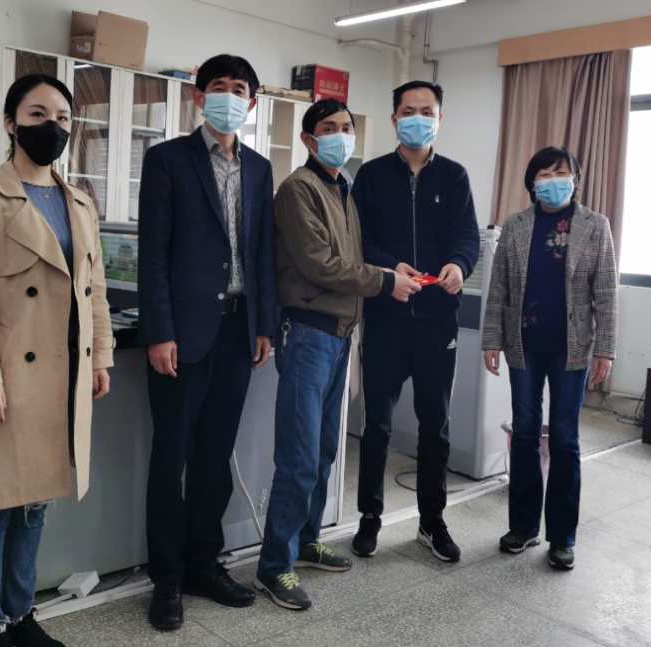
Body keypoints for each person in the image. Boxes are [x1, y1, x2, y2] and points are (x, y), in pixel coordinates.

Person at [0, 73, 114, 647]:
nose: (54, 126)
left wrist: (100, 357)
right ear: (11, 123)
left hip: (61, 377)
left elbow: (93, 291)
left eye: (64, 117)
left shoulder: (80, 203)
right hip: (6, 378)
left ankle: (20, 616)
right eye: (38, 113)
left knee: (34, 505)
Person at [255, 98, 422, 611]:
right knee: (300, 455)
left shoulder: (341, 188)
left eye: (346, 127)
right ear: (308, 140)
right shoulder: (298, 190)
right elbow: (320, 265)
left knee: (326, 448)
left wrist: (389, 269)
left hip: (339, 334)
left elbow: (352, 257)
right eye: (328, 128)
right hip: (307, 333)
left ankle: (306, 541)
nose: (340, 135)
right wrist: (385, 282)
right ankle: (274, 566)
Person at [137, 54, 277, 631]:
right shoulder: (167, 160)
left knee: (216, 457)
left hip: (238, 332)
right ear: (199, 97)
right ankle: (166, 577)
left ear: (252, 102)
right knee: (171, 457)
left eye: (239, 89)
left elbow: (262, 252)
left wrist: (264, 324)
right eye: (218, 87)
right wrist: (160, 331)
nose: (229, 97)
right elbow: (153, 254)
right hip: (184, 334)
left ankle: (202, 562)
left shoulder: (260, 169)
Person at [351, 81, 480, 561]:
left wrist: (459, 266)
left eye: (427, 111)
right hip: (386, 317)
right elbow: (358, 239)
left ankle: (432, 522)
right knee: (378, 426)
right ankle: (369, 518)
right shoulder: (371, 175)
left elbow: (467, 237)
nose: (418, 119)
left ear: (440, 119)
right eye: (408, 111)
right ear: (394, 119)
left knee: (435, 426)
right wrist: (390, 269)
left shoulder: (455, 176)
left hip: (437, 321)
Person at [482, 146, 617, 571]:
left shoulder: (595, 225)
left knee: (564, 438)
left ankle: (562, 537)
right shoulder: (516, 225)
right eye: (544, 173)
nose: (553, 180)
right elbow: (499, 288)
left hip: (570, 348)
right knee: (524, 433)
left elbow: (606, 293)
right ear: (532, 182)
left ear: (575, 180)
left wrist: (605, 349)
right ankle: (523, 527)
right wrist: (491, 340)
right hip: (523, 345)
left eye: (561, 173)